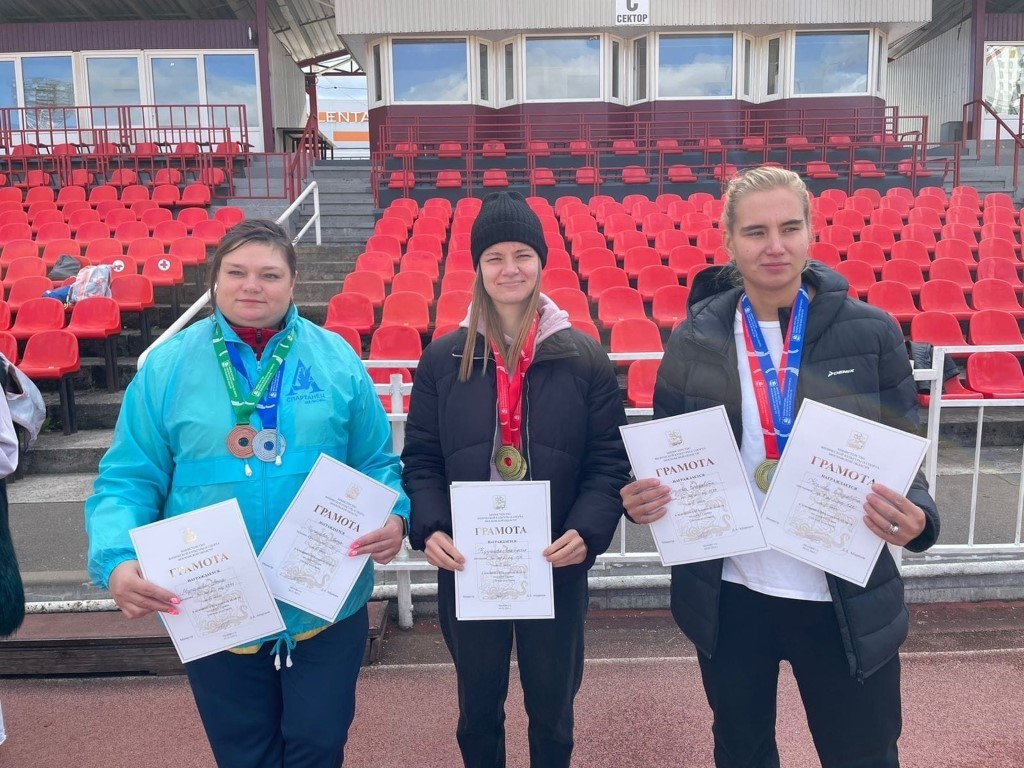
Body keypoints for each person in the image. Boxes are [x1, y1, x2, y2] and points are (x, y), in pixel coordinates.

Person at [621, 167, 940, 768]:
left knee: (863, 755)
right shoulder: (694, 338)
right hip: (733, 593)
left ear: (810, 233)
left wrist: (920, 516)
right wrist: (639, 499)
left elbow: (905, 454)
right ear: (729, 240)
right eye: (756, 231)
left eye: (790, 228)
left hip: (840, 590)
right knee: (741, 752)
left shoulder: (870, 333)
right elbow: (665, 455)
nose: (775, 246)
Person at [85, 219, 409, 768]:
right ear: (215, 280)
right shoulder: (166, 366)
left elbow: (376, 461)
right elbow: (128, 478)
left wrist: (394, 514)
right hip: (213, 606)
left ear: (293, 282)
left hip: (324, 606)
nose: (251, 286)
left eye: (269, 274)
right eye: (236, 272)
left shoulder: (336, 360)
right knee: (243, 755)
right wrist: (116, 558)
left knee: (319, 746)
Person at [402, 191, 631, 768]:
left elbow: (609, 460)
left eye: (522, 255)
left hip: (555, 560)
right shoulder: (442, 360)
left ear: (541, 262)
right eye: (495, 257)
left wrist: (587, 532)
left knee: (553, 710)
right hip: (469, 562)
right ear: (477, 267)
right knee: (478, 710)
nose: (510, 268)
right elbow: (422, 458)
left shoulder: (584, 358)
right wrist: (430, 528)